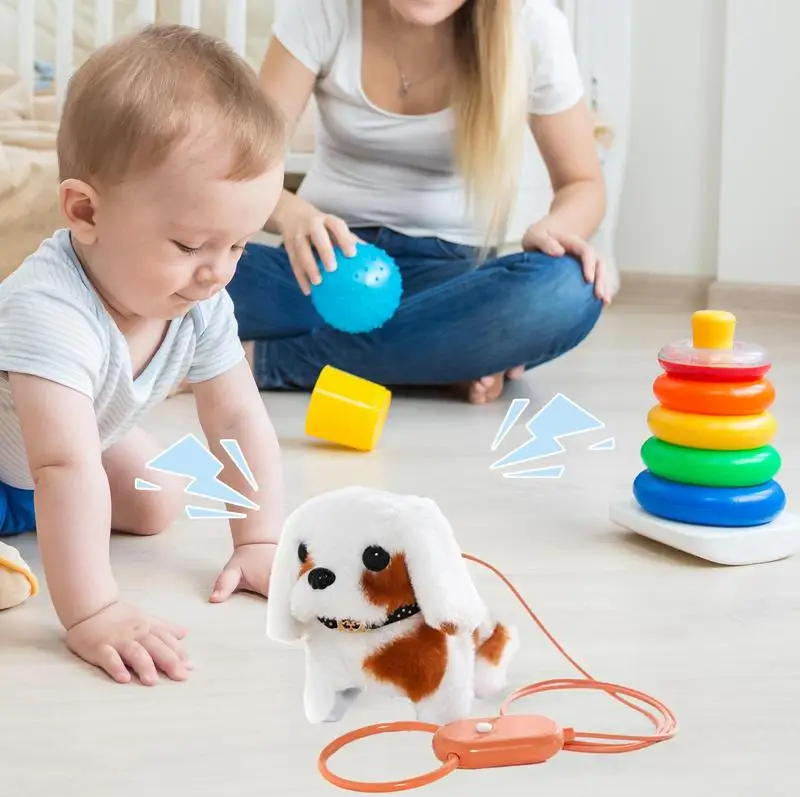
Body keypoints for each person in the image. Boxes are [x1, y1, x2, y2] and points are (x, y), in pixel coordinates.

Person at [0, 25, 286, 685]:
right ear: (85, 212)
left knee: (158, 501)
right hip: (31, 459)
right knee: (77, 484)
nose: (217, 272)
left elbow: (239, 420)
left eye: (238, 245)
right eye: (190, 246)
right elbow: (62, 465)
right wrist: (94, 610)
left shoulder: (200, 299)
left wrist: (259, 540)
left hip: (43, 464)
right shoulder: (48, 310)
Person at [227, 0, 614, 405]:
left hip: (453, 283)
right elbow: (246, 170)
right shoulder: (323, 11)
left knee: (569, 288)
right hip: (327, 268)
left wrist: (556, 227)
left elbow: (583, 183)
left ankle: (265, 362)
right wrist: (292, 214)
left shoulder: (532, 24)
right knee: (193, 271)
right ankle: (435, 358)